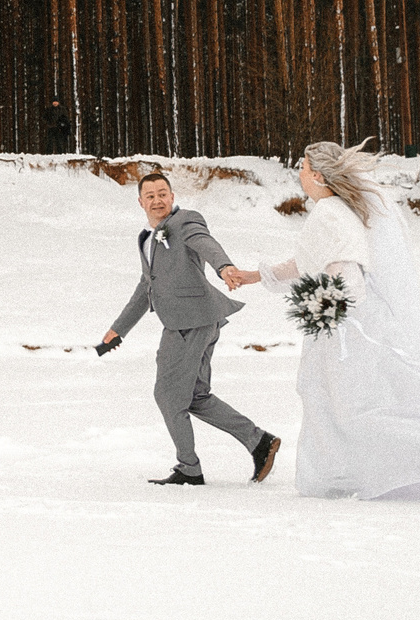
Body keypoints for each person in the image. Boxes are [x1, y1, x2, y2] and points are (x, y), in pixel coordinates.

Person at [221, 140, 420, 498]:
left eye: (303, 166)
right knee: (335, 398)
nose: (298, 172)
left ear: (319, 176)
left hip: (346, 326)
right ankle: (344, 475)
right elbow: (310, 262)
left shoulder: (329, 213)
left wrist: (327, 308)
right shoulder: (333, 210)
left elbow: (347, 275)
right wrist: (255, 275)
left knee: (350, 405)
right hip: (347, 322)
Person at [97, 171, 282, 487]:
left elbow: (206, 243)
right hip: (198, 320)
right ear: (140, 201)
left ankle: (189, 469)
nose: (158, 200)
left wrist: (224, 267)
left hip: (189, 322)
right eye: (151, 195)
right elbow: (147, 288)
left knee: (168, 394)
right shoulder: (148, 238)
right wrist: (119, 329)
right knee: (194, 395)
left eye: (163, 193)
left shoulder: (185, 221)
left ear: (172, 196)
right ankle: (259, 441)